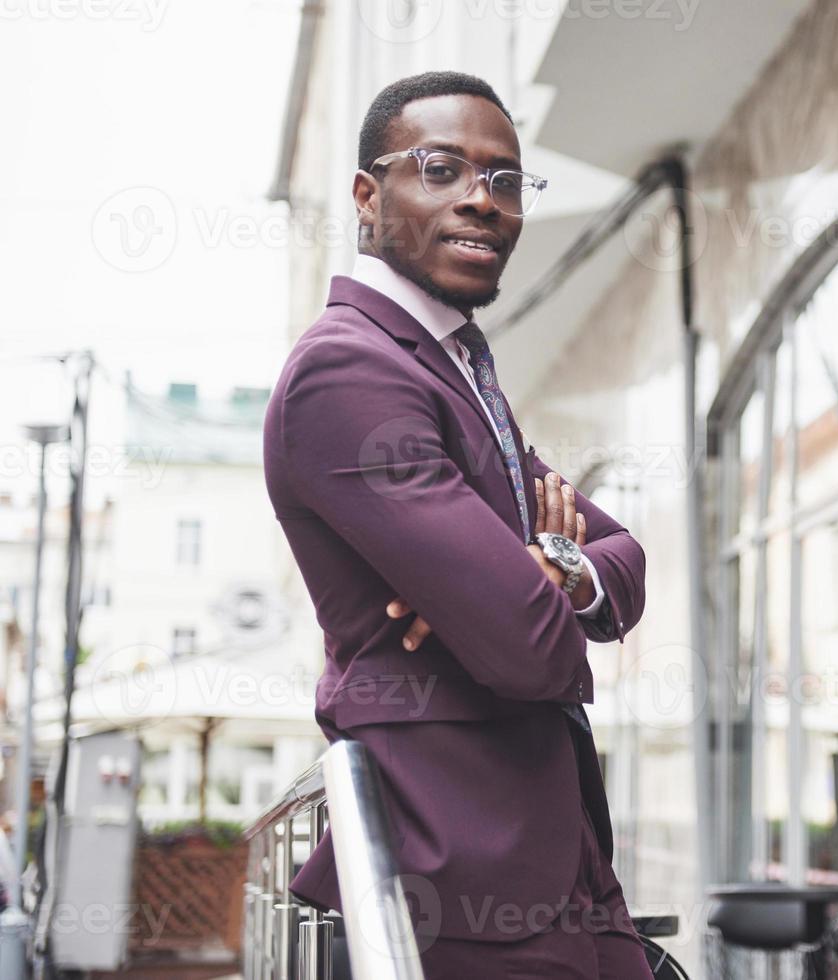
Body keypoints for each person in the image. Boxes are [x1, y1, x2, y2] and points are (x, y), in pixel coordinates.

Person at [263, 70, 653, 978]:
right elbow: (526, 646)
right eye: (441, 169)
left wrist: (544, 568)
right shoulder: (349, 372)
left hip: (562, 860)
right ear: (369, 195)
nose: (484, 200)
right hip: (463, 872)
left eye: (507, 179)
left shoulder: (454, 369)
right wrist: (528, 593)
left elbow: (625, 558)